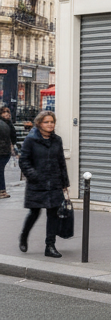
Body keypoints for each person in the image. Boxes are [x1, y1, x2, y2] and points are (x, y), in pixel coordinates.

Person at [18, 111, 70, 258]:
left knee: (53, 214)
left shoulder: (57, 140)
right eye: (46, 122)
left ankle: (50, 246)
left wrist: (64, 183)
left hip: (54, 182)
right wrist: (34, 175)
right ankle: (24, 235)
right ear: (39, 123)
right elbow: (24, 161)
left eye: (52, 122)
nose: (50, 124)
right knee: (34, 213)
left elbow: (61, 162)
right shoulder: (30, 140)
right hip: (37, 183)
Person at [0, 105, 18, 199]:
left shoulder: (9, 124)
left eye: (7, 112)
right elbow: (14, 138)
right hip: (5, 151)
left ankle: (2, 191)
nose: (6, 114)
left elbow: (14, 138)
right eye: (4, 112)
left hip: (4, 151)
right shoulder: (8, 124)